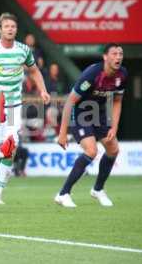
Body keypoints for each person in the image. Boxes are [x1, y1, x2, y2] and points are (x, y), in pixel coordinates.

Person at [0, 13, 50, 204]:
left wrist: (42, 90)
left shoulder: (24, 50)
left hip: (14, 107)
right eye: (6, 26)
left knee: (11, 147)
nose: (10, 29)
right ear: (0, 30)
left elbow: (34, 71)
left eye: (13, 26)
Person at [55, 43, 127, 208]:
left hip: (100, 113)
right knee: (91, 151)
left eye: (120, 54)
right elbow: (70, 101)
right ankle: (63, 194)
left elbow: (117, 101)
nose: (118, 57)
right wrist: (62, 133)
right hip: (80, 112)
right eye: (114, 54)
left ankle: (98, 190)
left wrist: (114, 127)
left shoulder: (122, 74)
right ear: (105, 57)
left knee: (113, 149)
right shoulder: (92, 73)